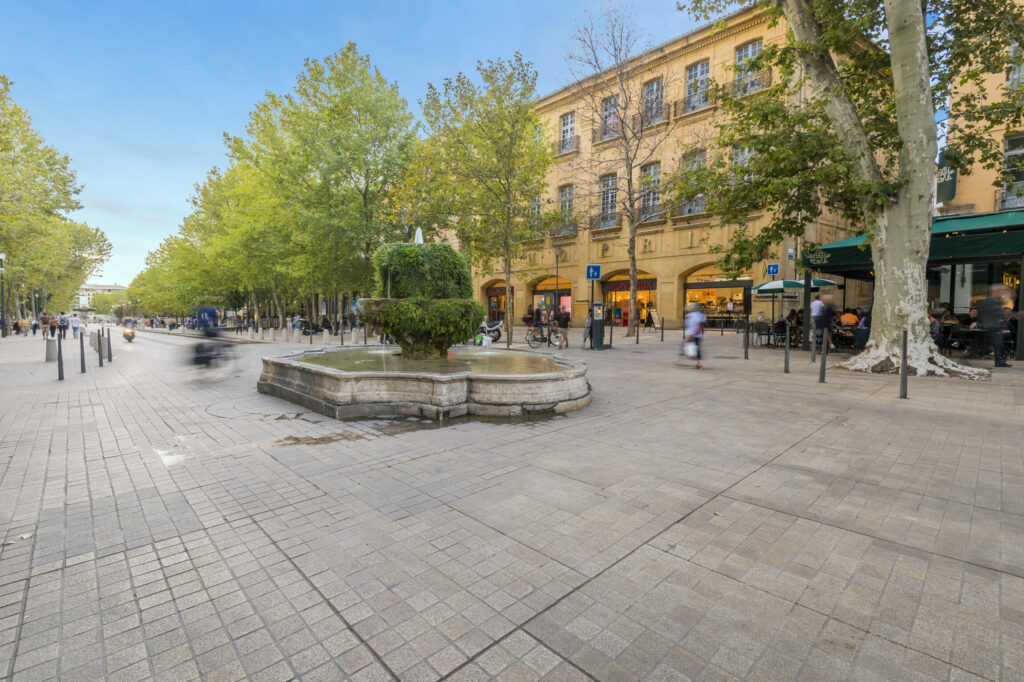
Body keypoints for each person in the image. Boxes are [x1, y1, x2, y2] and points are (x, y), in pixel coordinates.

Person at [679, 302, 706, 369]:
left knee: (688, 347)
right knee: (695, 348)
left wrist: (691, 334)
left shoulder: (689, 315)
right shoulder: (701, 315)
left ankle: (698, 363)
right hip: (698, 335)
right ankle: (698, 362)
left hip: (691, 334)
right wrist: (700, 332)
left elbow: (687, 325)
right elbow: (702, 325)